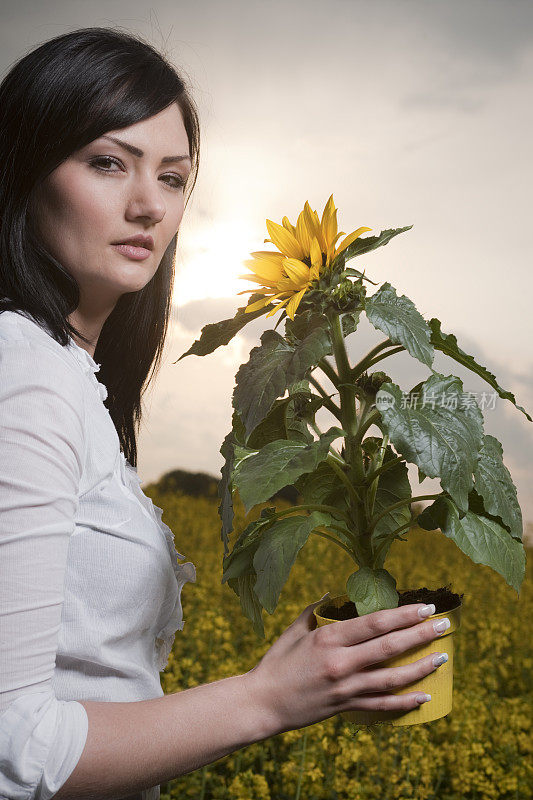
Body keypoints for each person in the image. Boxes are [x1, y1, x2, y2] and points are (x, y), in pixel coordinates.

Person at [0, 26, 450, 800]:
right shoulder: (23, 371)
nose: (148, 205)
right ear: (24, 168)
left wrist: (291, 678)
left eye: (172, 178)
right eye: (108, 162)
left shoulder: (71, 382)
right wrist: (269, 699)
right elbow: (15, 745)